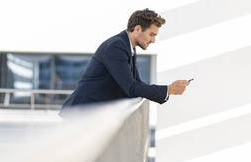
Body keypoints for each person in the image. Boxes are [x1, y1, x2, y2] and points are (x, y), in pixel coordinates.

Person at [59, 8, 189, 117]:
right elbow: (131, 87)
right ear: (138, 29)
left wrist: (168, 90)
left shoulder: (128, 47)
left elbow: (136, 82)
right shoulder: (116, 46)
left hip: (91, 114)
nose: (153, 40)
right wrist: (168, 90)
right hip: (80, 114)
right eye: (151, 34)